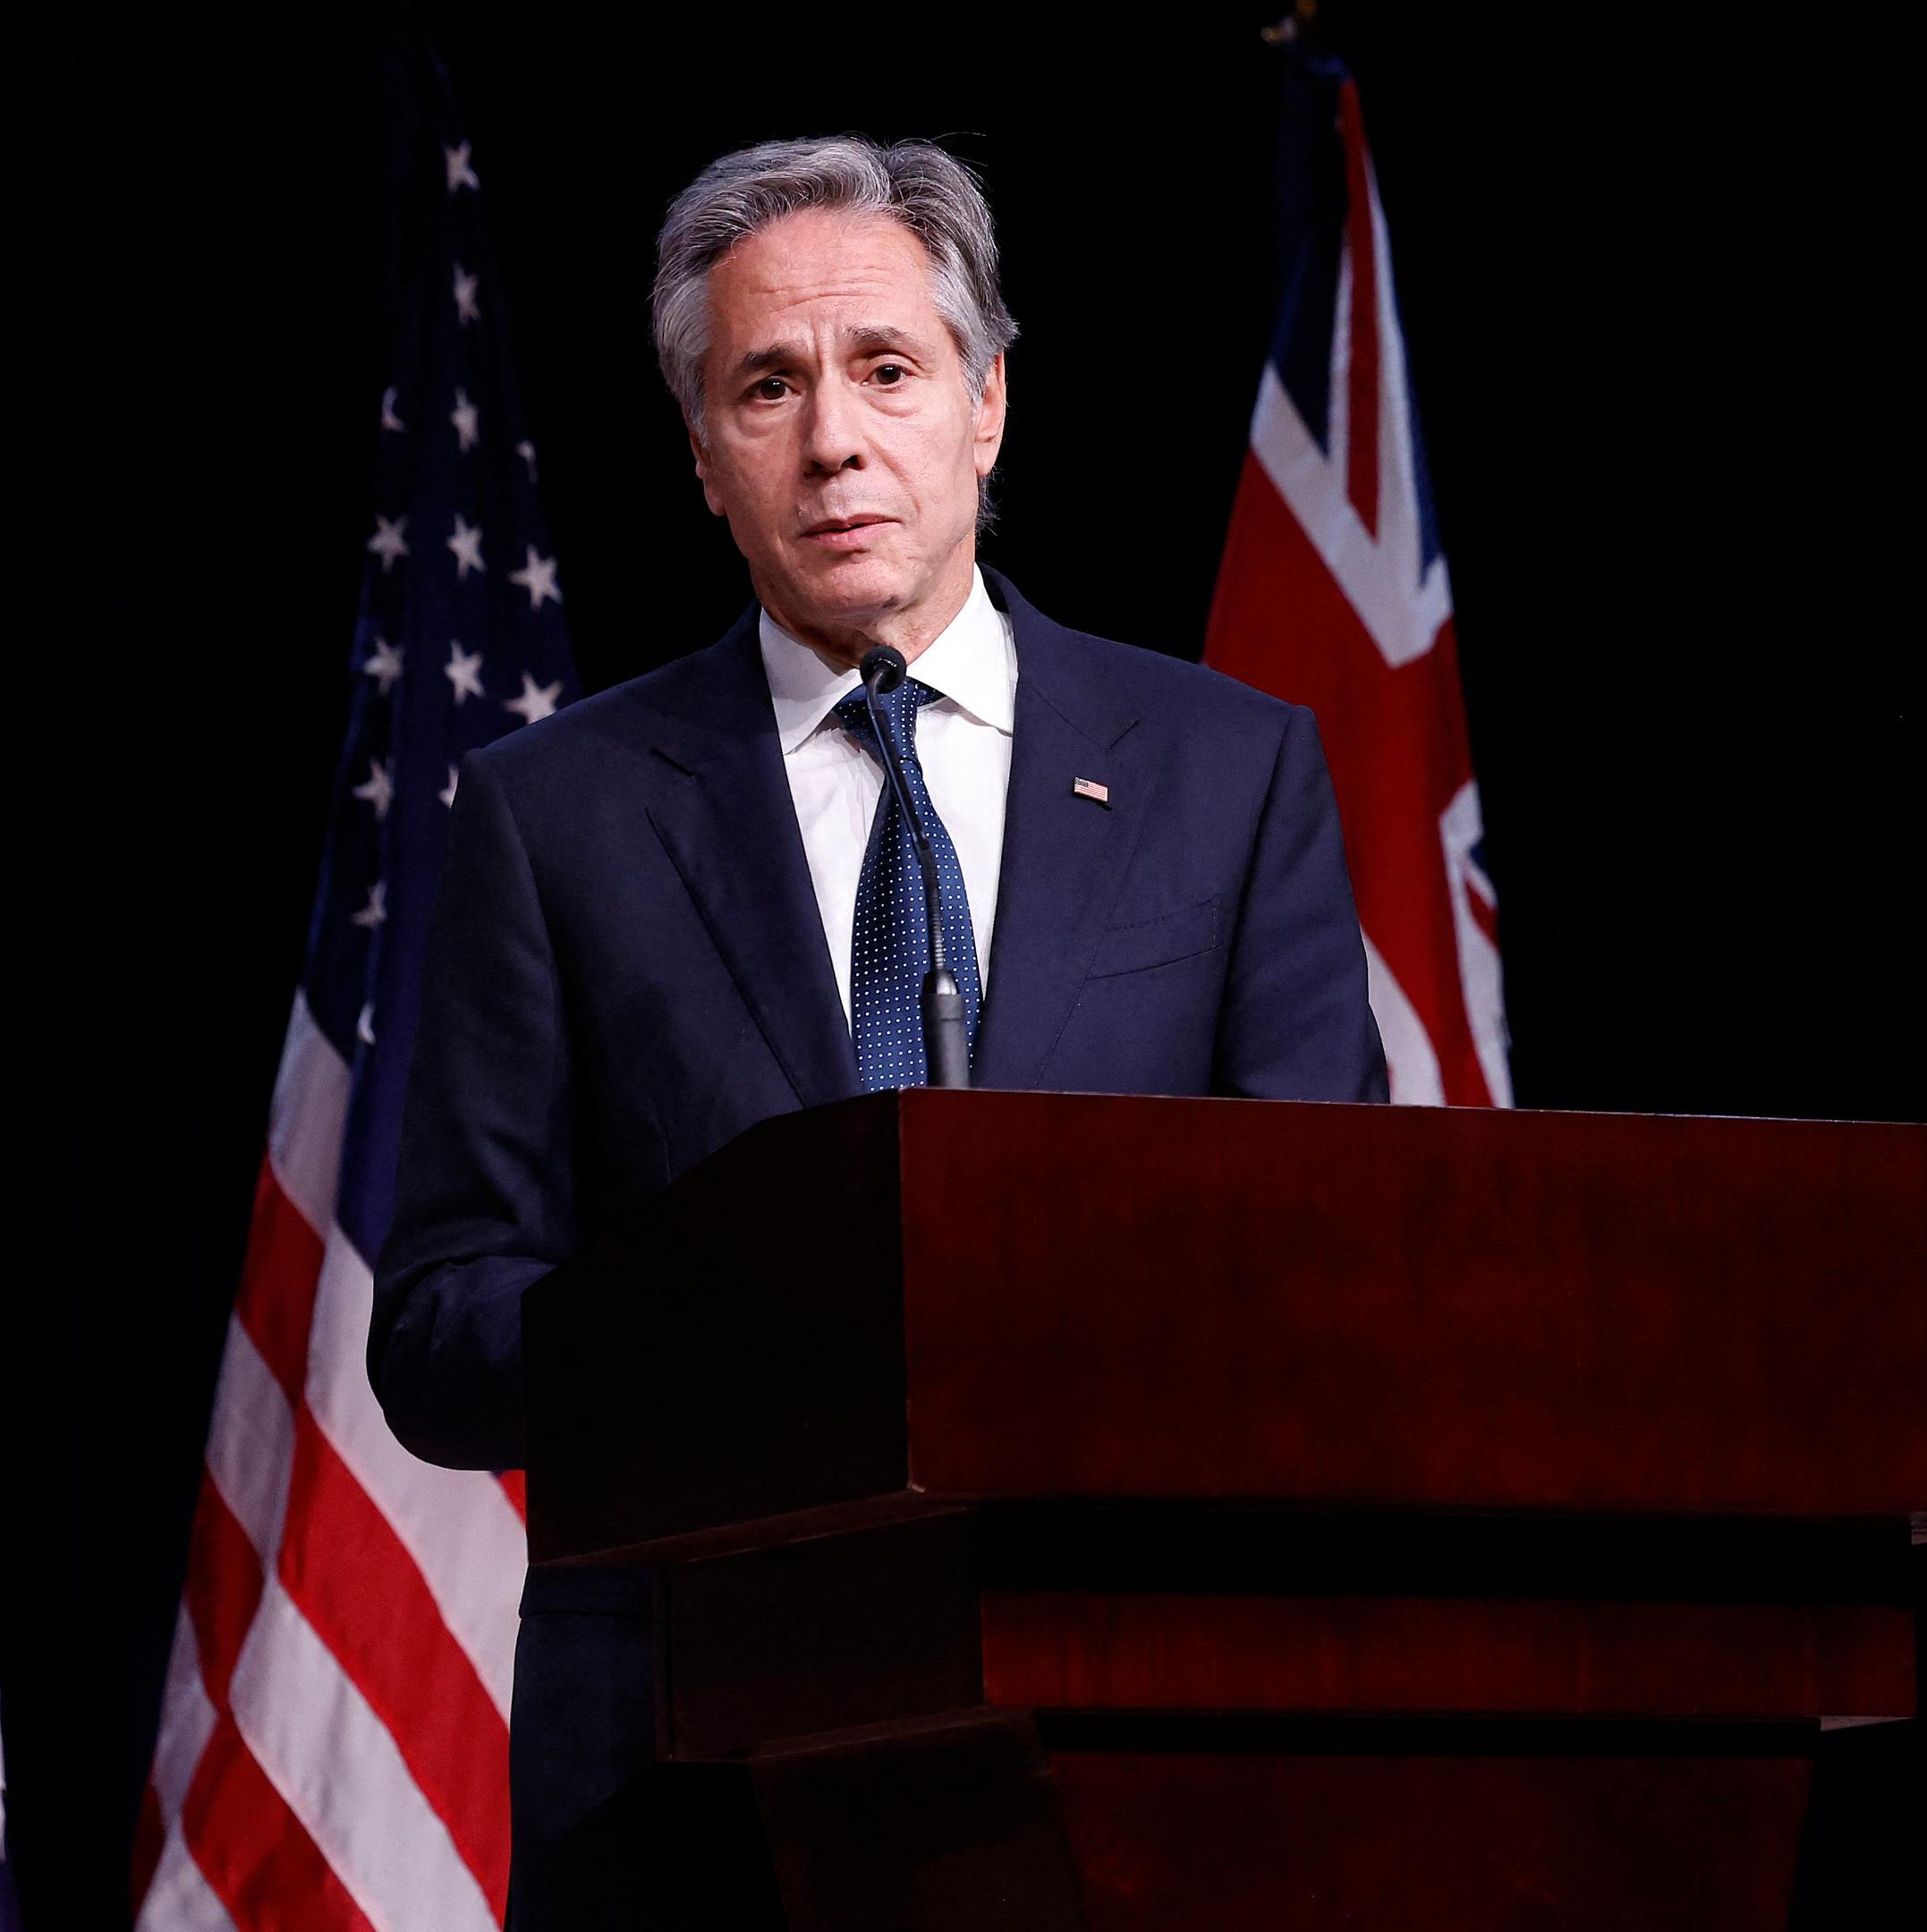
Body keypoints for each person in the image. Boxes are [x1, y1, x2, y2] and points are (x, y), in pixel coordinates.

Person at [370, 137, 1386, 1918]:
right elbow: (444, 1334)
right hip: (691, 1777)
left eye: (889, 371)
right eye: (766, 386)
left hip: (1140, 1754)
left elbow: (1335, 1272)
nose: (833, 438)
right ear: (701, 455)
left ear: (987, 407)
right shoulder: (558, 816)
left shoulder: (1231, 777)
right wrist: (743, 1328)